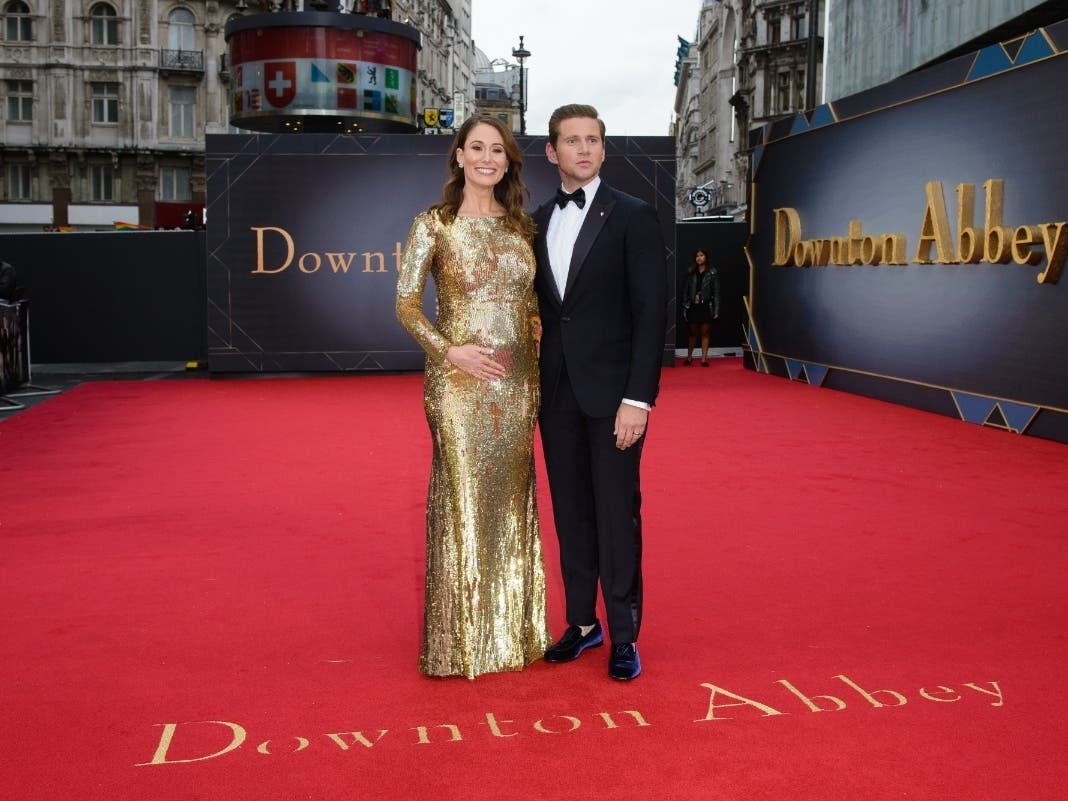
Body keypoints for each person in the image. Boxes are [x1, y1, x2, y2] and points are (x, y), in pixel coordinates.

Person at [395, 114, 550, 679]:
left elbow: (530, 301)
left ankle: (515, 633)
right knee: (463, 500)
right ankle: (461, 644)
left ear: (508, 162)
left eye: (498, 151)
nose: (488, 158)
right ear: (458, 156)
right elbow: (406, 305)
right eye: (477, 148)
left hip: (516, 385)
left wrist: (533, 326)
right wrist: (449, 351)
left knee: (512, 505)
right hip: (458, 386)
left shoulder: (521, 227)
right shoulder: (432, 225)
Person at [532, 104, 667, 681]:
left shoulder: (634, 216)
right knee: (571, 516)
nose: (583, 149)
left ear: (604, 150)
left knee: (616, 516)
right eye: (572, 141)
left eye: (593, 140)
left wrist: (638, 400)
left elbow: (651, 313)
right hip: (556, 394)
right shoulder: (536, 221)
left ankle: (624, 635)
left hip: (615, 399)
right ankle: (582, 624)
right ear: (551, 152)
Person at [681, 249, 720, 366]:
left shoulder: (712, 272)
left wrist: (717, 309)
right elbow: (685, 291)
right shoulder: (691, 272)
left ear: (706, 257)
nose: (699, 258)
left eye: (701, 255)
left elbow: (717, 292)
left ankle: (704, 359)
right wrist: (685, 307)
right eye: (697, 256)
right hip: (693, 306)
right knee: (692, 333)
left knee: (705, 333)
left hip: (706, 306)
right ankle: (689, 357)